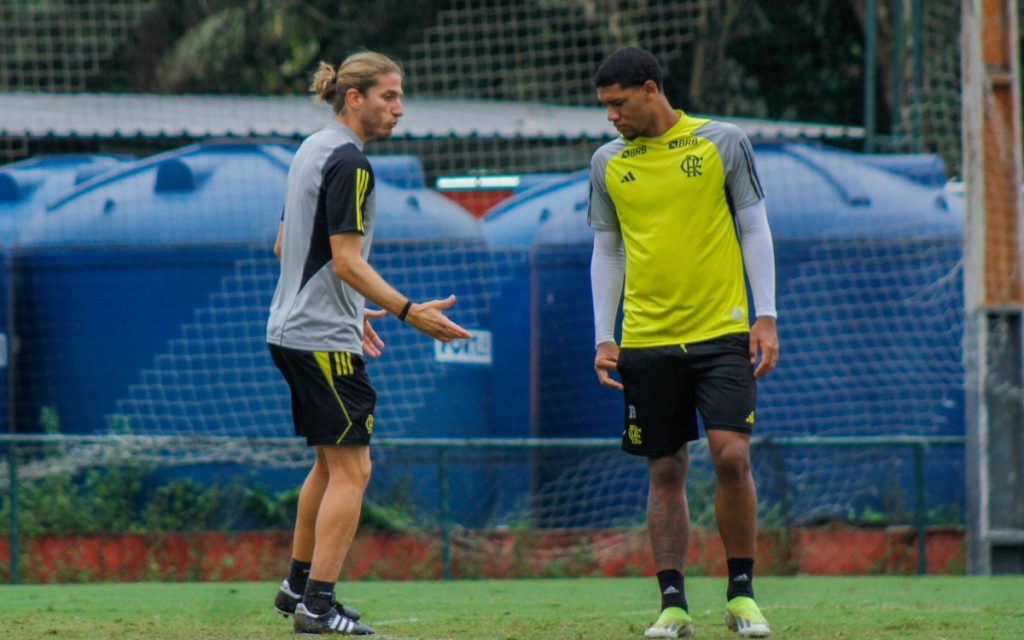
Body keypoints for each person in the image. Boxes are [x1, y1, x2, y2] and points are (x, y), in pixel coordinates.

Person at [266, 51, 471, 636]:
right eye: (389, 96)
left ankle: (297, 586)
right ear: (354, 98)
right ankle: (317, 608)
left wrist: (354, 312)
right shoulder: (352, 162)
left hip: (294, 332)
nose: (399, 108)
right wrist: (408, 313)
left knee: (331, 467)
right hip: (320, 339)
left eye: (400, 96)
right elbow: (346, 261)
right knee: (354, 471)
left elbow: (287, 246)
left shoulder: (311, 147)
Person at [588, 47, 778, 639]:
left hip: (722, 332)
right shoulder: (606, 163)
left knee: (731, 454)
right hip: (646, 339)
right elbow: (608, 250)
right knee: (664, 469)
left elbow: (753, 225)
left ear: (650, 89)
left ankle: (742, 596)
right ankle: (672, 604)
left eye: (619, 104)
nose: (611, 117)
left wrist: (765, 315)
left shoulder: (722, 141)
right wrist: (603, 336)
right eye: (605, 108)